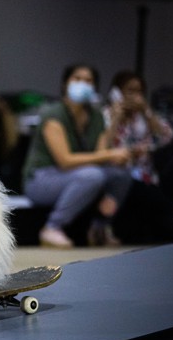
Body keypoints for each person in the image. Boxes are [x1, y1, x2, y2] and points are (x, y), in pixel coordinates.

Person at [21, 64, 133, 249]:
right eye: (77, 79)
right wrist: (109, 154)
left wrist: (113, 122)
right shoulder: (53, 114)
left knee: (120, 174)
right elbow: (65, 161)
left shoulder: (95, 115)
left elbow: (100, 153)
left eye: (88, 80)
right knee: (92, 175)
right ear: (66, 83)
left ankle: (99, 228)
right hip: (42, 179)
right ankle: (52, 227)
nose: (83, 84)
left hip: (76, 175)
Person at [102, 70, 173, 242]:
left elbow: (167, 136)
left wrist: (147, 111)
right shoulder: (105, 114)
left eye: (139, 91)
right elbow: (103, 146)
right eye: (130, 91)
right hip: (118, 174)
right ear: (116, 92)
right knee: (140, 188)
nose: (135, 96)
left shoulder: (143, 117)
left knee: (150, 194)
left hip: (146, 175)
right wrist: (117, 117)